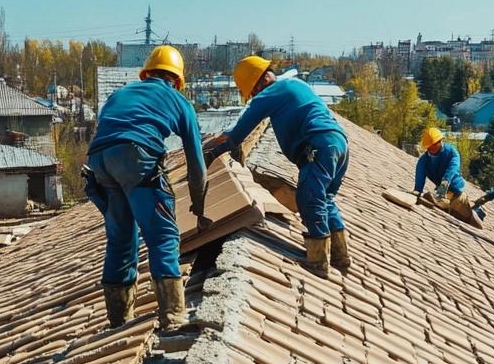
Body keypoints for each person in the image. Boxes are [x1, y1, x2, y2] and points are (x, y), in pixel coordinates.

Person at [85, 45, 207, 331]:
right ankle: (173, 317)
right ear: (177, 81)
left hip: (98, 163)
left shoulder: (119, 95)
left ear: (146, 74)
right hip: (134, 157)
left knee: (120, 239)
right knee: (162, 235)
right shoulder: (178, 101)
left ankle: (118, 320)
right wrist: (199, 207)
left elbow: (108, 133)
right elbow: (197, 166)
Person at [206, 55, 350, 276]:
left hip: (318, 145)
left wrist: (212, 153)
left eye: (252, 92)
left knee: (309, 197)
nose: (253, 97)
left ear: (260, 82)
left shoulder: (269, 94)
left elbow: (237, 134)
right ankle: (340, 255)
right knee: (325, 198)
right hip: (338, 144)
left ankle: (318, 260)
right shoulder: (295, 84)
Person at [412, 127, 474, 220]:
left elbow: (452, 168)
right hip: (440, 191)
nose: (432, 148)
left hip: (456, 189)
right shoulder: (424, 161)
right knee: (436, 200)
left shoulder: (452, 152)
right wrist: (417, 191)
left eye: (434, 145)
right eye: (430, 146)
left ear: (440, 141)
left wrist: (444, 183)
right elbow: (420, 176)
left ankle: (475, 210)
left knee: (467, 213)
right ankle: (442, 202)